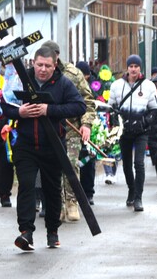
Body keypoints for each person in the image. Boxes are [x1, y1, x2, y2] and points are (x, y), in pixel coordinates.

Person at [1, 47, 86, 251]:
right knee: (27, 185)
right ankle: (26, 232)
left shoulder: (63, 83)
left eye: (48, 66)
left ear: (54, 65)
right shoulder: (21, 79)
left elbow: (79, 106)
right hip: (25, 145)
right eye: (39, 64)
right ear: (33, 62)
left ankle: (52, 231)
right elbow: (4, 105)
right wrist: (19, 112)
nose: (43, 69)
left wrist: (51, 110)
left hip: (53, 145)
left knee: (52, 189)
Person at [41, 40, 96, 222]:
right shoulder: (39, 74)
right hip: (47, 127)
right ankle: (57, 204)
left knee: (70, 164)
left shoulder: (72, 74)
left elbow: (88, 101)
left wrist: (86, 124)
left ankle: (72, 201)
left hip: (70, 127)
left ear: (57, 56)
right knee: (51, 167)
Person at [108, 54, 157, 212]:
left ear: (140, 68)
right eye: (131, 66)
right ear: (127, 67)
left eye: (136, 66)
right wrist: (115, 123)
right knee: (127, 165)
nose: (133, 69)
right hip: (124, 132)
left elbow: (155, 110)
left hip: (141, 132)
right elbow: (110, 108)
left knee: (139, 164)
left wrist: (144, 122)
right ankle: (131, 189)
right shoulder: (117, 85)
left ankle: (138, 197)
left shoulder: (148, 86)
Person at [76, 60, 98, 207]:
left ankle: (88, 193)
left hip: (87, 128)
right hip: (72, 128)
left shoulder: (92, 88)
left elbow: (93, 105)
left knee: (88, 161)